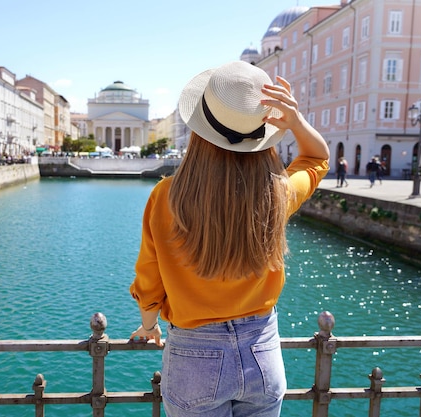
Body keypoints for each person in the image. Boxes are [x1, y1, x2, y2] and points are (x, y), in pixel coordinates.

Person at [128, 61, 329, 417]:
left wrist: (149, 326)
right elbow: (316, 158)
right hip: (262, 352)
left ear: (199, 131)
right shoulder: (276, 194)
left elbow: (149, 277)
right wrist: (296, 121)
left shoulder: (167, 196)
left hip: (194, 355)